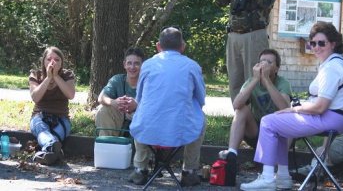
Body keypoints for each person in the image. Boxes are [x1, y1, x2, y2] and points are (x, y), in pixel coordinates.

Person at [240, 21, 343, 191]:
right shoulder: (335, 63)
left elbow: (320, 107)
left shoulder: (332, 67)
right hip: (336, 118)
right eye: (313, 43)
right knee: (279, 123)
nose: (316, 47)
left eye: (321, 43)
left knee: (268, 122)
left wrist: (294, 109)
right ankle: (283, 177)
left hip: (330, 118)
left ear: (333, 44)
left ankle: (267, 178)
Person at [129, 27, 206, 187]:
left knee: (141, 115)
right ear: (182, 46)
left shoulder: (148, 65)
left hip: (149, 130)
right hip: (180, 131)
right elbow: (200, 99)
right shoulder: (192, 66)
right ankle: (189, 171)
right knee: (201, 121)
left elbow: (140, 98)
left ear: (158, 46)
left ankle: (140, 169)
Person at [218, 49, 293, 186]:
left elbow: (285, 108)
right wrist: (255, 80)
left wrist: (267, 81)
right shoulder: (251, 81)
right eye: (261, 61)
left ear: (276, 68)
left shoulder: (283, 83)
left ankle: (277, 167)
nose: (264, 65)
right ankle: (232, 154)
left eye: (269, 62)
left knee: (290, 118)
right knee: (241, 110)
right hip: (257, 132)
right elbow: (236, 104)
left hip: (279, 136)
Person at [216, 0, 278, 102]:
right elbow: (219, 1)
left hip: (254, 35)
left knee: (254, 77)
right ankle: (239, 116)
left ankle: (255, 116)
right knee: (235, 79)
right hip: (234, 36)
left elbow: (266, 2)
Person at [297, 56, 343, 174]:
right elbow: (331, 122)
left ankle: (315, 170)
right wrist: (325, 146)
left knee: (331, 150)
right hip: (336, 135)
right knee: (322, 150)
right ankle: (316, 168)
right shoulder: (340, 96)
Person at [29, 46, 75, 165]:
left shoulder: (67, 75)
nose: (52, 62)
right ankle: (53, 150)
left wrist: (55, 76)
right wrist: (48, 78)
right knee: (43, 131)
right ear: (43, 61)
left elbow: (70, 94)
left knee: (56, 134)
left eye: (56, 60)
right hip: (39, 117)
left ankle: (46, 153)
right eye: (49, 59)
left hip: (62, 118)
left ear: (62, 63)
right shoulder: (35, 75)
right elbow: (35, 97)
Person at [95, 47, 145, 136]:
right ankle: (107, 145)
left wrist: (137, 105)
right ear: (124, 64)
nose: (132, 67)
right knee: (102, 109)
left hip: (142, 118)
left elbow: (158, 105)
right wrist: (114, 102)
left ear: (143, 65)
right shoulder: (117, 80)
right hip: (120, 117)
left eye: (137, 63)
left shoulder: (149, 83)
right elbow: (101, 97)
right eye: (129, 63)